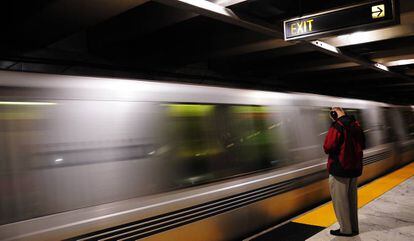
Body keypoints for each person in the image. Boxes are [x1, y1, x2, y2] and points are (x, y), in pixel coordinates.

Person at [323, 107, 366, 237]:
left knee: (340, 201)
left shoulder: (337, 126)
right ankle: (354, 228)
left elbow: (327, 147)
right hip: (354, 169)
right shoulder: (356, 125)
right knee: (352, 201)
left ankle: (345, 230)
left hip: (340, 170)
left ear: (334, 113)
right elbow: (363, 143)